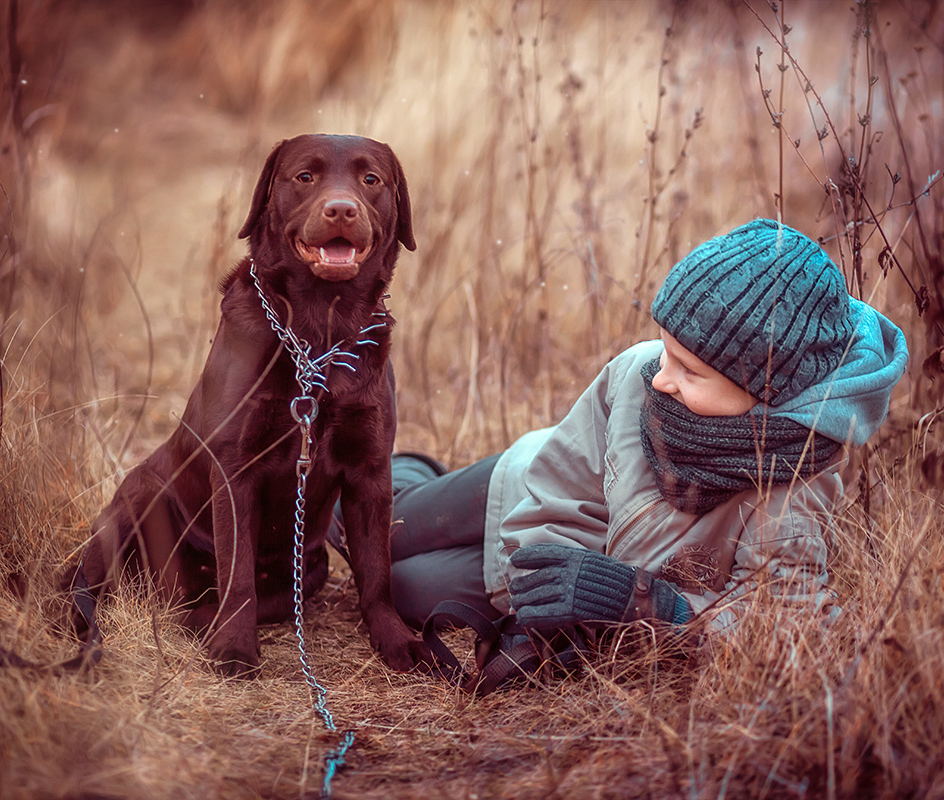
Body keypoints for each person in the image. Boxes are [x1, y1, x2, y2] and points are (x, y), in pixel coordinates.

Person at [331, 218, 908, 679]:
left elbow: (784, 619)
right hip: (525, 487)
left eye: (691, 371)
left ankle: (410, 510)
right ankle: (406, 473)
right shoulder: (639, 372)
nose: (662, 377)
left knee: (399, 586)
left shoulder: (794, 475)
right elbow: (562, 480)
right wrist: (539, 581)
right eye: (666, 352)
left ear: (765, 392)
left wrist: (654, 607)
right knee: (370, 525)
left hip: (592, 592)